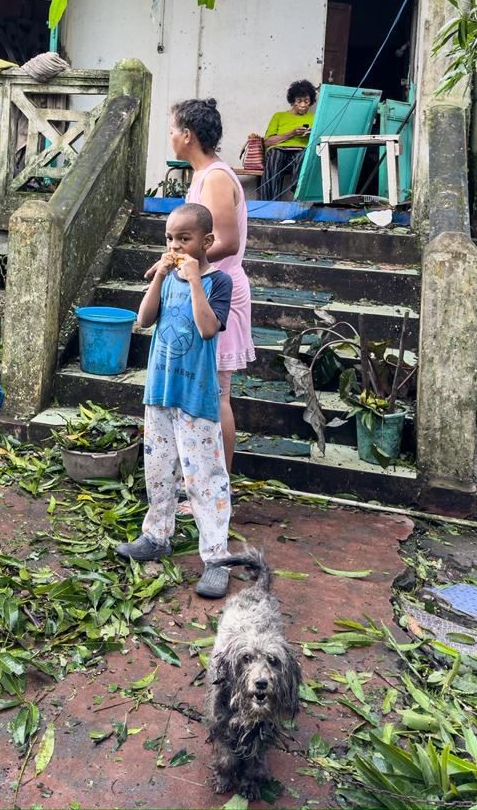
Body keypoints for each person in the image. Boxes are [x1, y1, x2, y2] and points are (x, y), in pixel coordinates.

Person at [116, 203, 234, 599]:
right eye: (170, 238)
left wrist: (195, 280)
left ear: (207, 241)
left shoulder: (219, 283)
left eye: (184, 239)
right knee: (158, 470)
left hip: (195, 397)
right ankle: (157, 534)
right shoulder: (167, 278)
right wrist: (161, 276)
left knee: (204, 479)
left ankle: (217, 558)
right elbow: (144, 319)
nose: (175, 245)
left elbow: (206, 329)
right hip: (160, 389)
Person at [169, 99, 255, 471]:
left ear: (187, 136)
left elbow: (228, 242)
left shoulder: (217, 178)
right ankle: (199, 477)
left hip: (220, 290)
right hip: (201, 286)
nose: (170, 137)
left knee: (218, 394)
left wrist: (185, 267)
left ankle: (218, 486)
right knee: (203, 391)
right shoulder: (201, 176)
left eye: (173, 130)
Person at [257, 79, 318, 201]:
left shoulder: (315, 117)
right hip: (279, 151)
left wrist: (311, 134)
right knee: (275, 155)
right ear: (292, 101)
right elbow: (267, 142)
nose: (303, 104)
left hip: (300, 152)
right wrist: (292, 133)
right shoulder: (279, 116)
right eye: (299, 101)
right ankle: (269, 202)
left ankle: (298, 195)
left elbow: (319, 140)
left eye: (306, 101)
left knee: (304, 155)